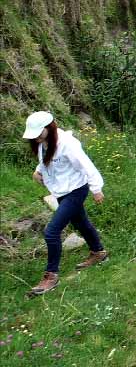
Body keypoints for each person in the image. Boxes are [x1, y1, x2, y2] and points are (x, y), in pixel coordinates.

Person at [24, 111, 108, 296]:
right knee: (81, 223)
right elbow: (46, 159)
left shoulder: (67, 144)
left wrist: (96, 189)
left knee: (51, 231)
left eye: (38, 133)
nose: (36, 137)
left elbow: (86, 165)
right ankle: (98, 252)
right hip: (61, 191)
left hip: (76, 190)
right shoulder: (42, 143)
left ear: (49, 128)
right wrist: (38, 170)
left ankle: (51, 276)